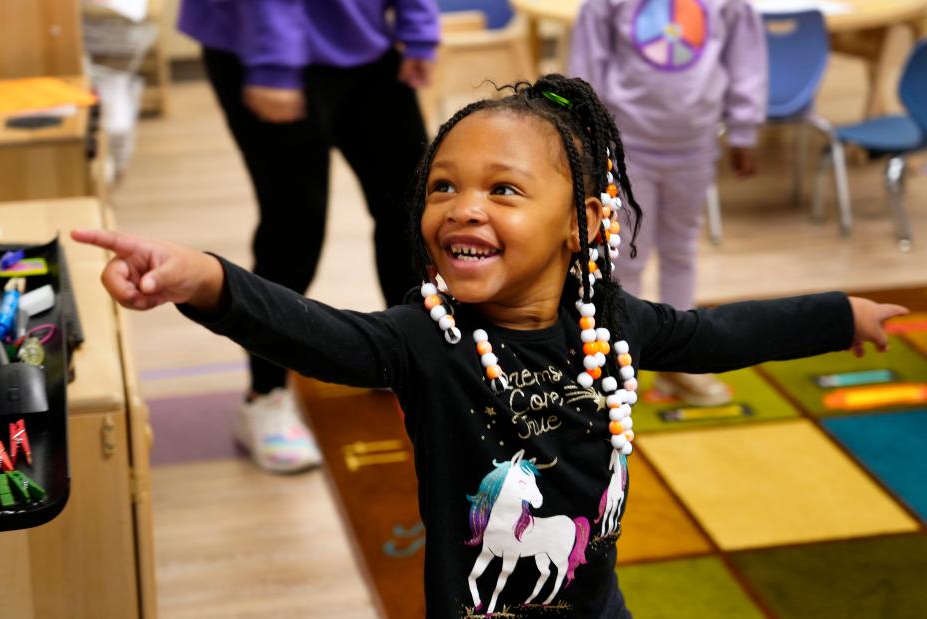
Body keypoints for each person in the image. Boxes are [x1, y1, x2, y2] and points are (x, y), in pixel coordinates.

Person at [73, 75, 905, 618]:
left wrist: (840, 314)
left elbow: (721, 334)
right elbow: (319, 335)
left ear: (581, 224)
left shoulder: (613, 322)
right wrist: (208, 281)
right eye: (444, 187)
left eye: (503, 190)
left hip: (596, 597)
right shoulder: (423, 339)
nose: (463, 208)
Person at [176, 0, 439, 471]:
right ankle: (264, 396)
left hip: (365, 39)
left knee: (414, 208)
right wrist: (274, 64)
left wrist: (418, 29)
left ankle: (408, 357)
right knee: (295, 227)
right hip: (259, 40)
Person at [568, 0, 767, 406]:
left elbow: (746, 58)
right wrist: (584, 130)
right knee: (624, 257)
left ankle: (680, 363)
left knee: (680, 251)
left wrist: (744, 129)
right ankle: (619, 362)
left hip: (694, 145)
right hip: (625, 147)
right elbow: (588, 61)